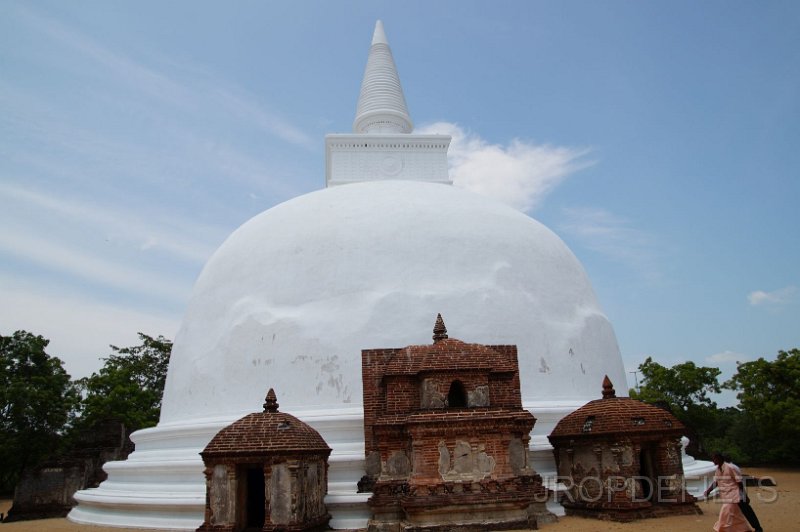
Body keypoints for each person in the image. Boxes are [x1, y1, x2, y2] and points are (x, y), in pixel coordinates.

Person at [703, 452, 753, 532]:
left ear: (720, 459)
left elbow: (739, 482)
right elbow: (716, 482)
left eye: (714, 458)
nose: (713, 461)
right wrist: (708, 491)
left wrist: (744, 495)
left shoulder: (730, 468)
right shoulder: (718, 470)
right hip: (726, 495)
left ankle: (722, 529)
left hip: (734, 494)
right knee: (735, 514)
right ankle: (744, 529)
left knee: (725, 511)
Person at [725, 456, 764, 532]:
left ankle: (757, 527)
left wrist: (745, 495)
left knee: (746, 511)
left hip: (737, 495)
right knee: (734, 512)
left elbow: (739, 483)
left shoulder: (732, 468)